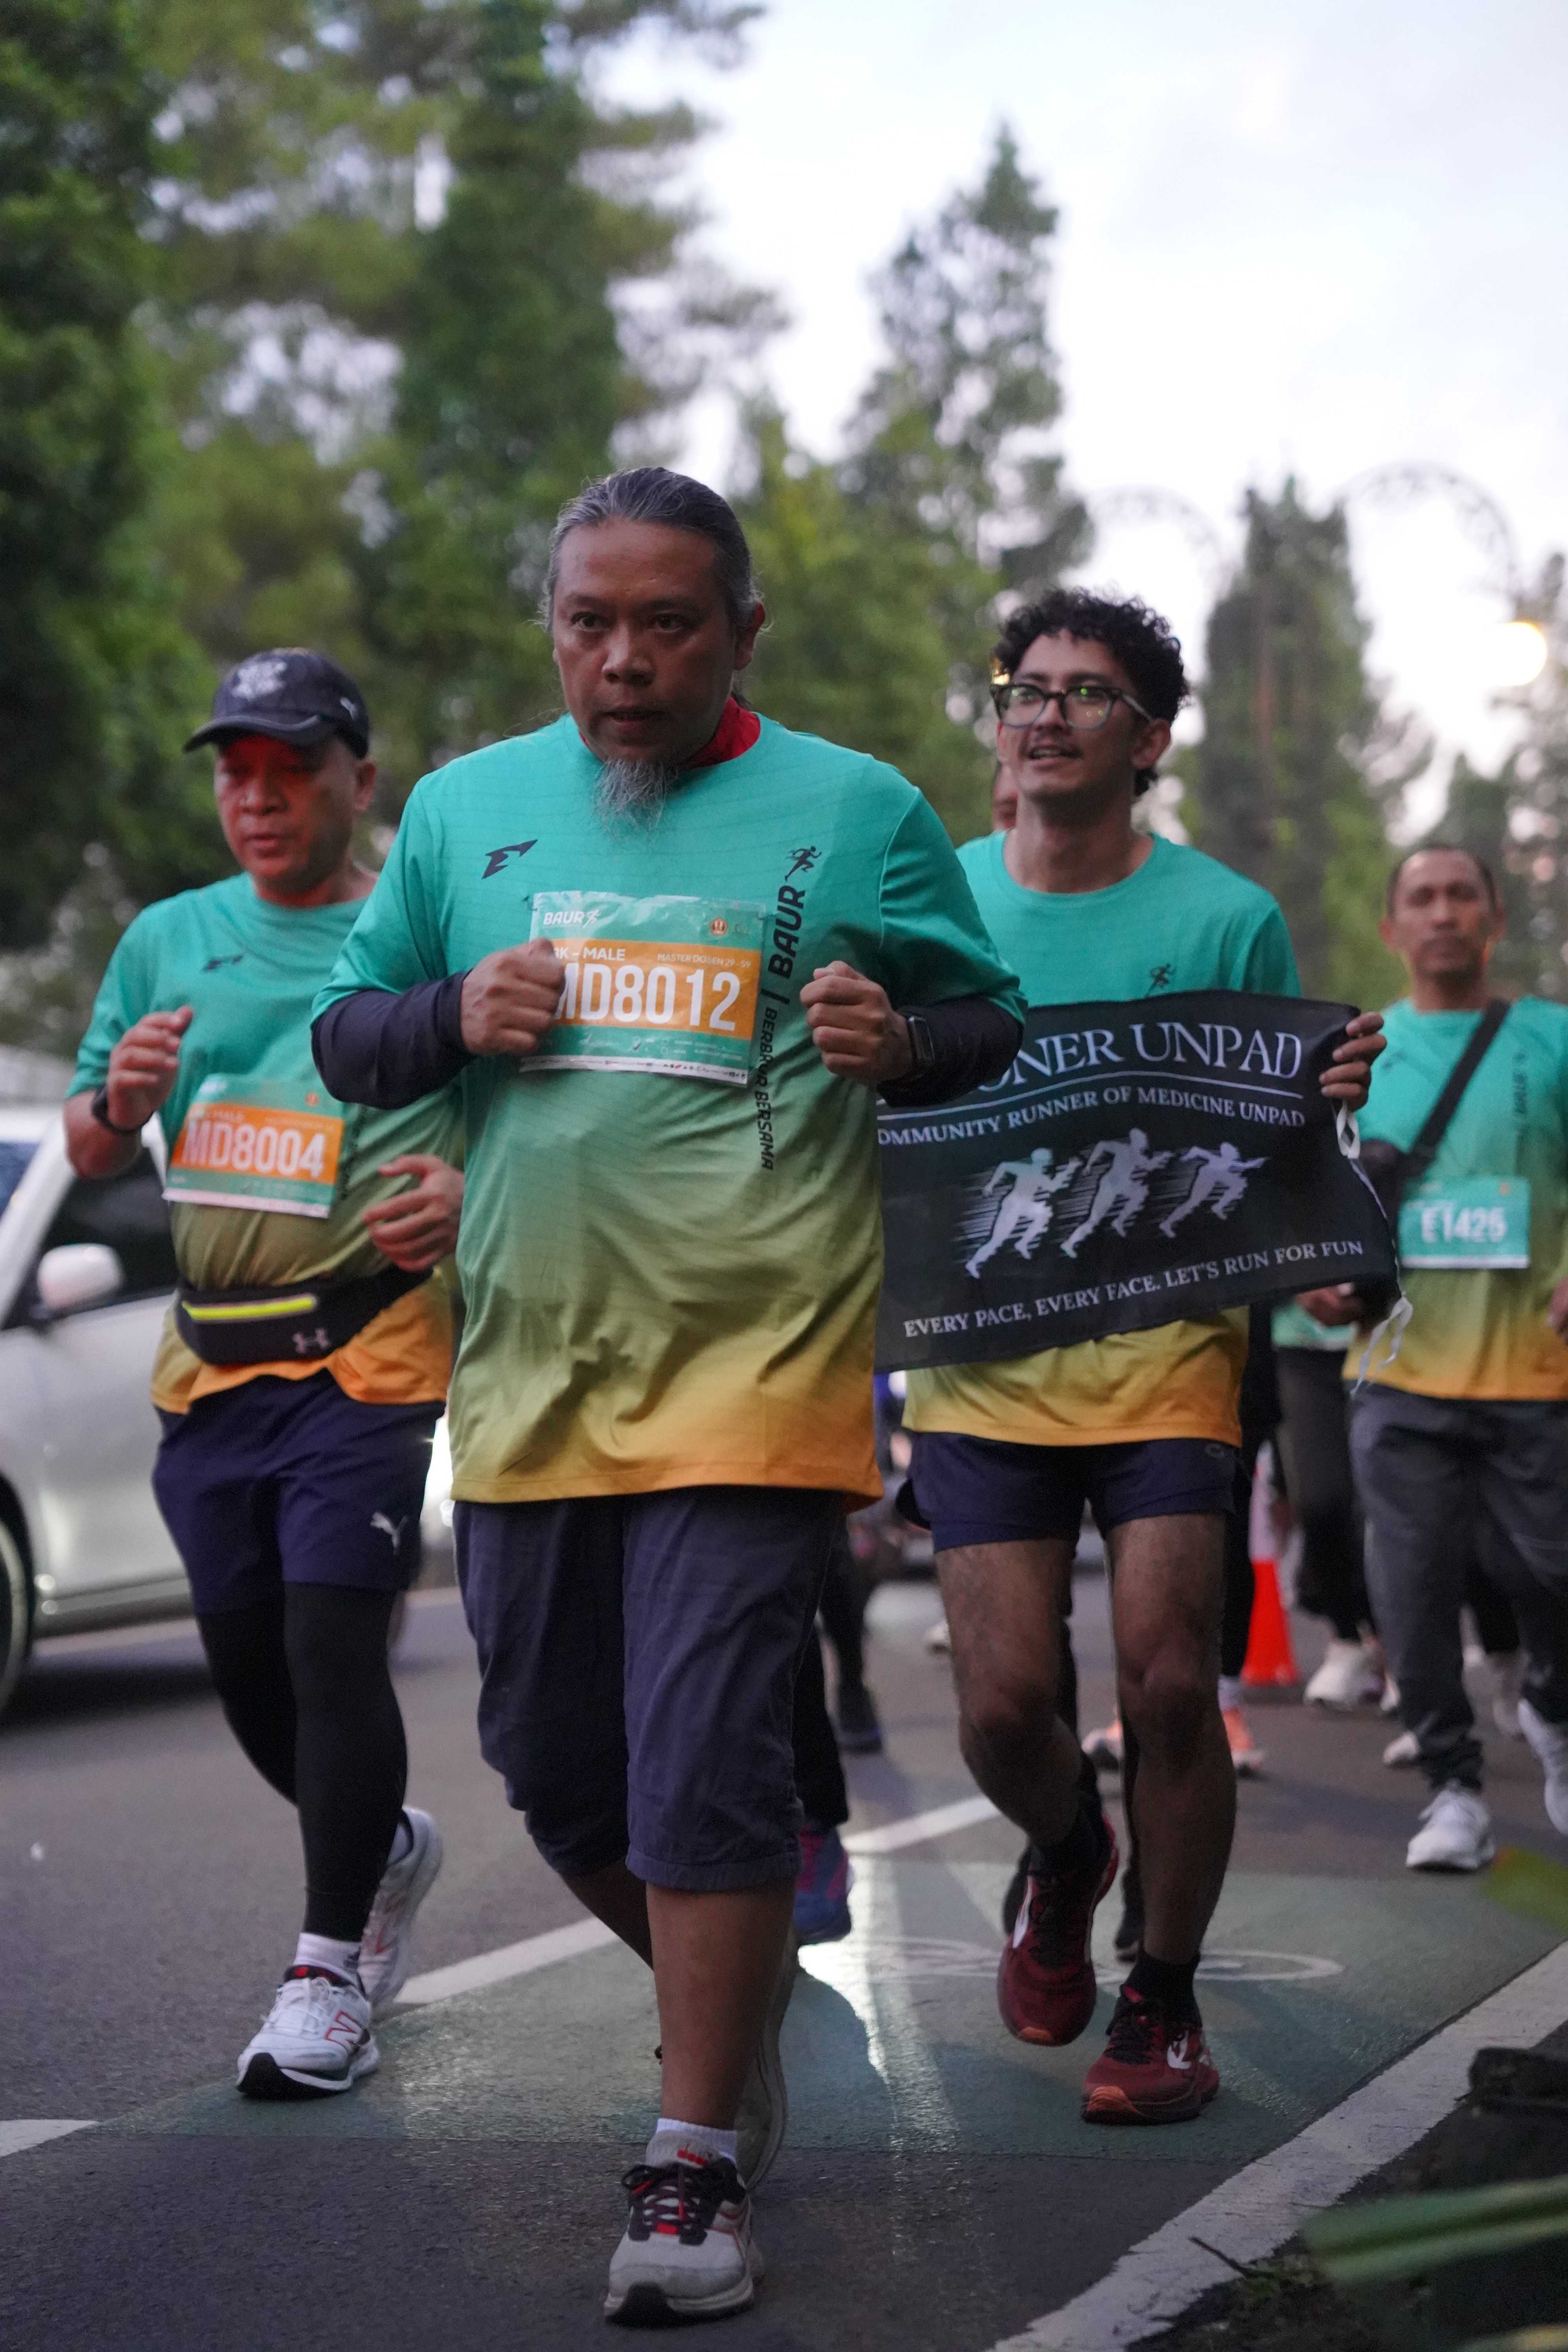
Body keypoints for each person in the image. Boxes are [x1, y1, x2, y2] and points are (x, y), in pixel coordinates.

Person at [310, 467, 1023, 2324]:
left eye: (667, 625)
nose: (622, 661)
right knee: (554, 1769)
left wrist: (902, 1040)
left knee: (701, 1756)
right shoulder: (463, 810)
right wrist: (451, 1014)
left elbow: (988, 1021)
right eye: (588, 624)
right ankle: (737, 2003)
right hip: (530, 1372)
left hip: (758, 1361)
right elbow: (348, 1033)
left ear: (742, 633)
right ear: (552, 629)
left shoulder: (858, 811)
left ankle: (691, 2155)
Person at [900, 588, 1383, 2125]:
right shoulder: (935, 902)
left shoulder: (1225, 917)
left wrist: (1329, 1111)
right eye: (1025, 688)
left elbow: (1281, 1139)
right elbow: (884, 1116)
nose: (1044, 714)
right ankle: (1067, 1850)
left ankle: (1162, 1999)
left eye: (1085, 693)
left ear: (1150, 738)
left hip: (1170, 1360)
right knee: (1000, 1711)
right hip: (980, 1363)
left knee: (1171, 1686)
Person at [65, 651, 462, 2099]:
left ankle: (325, 1973)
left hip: (368, 1349)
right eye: (238, 771)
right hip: (211, 1365)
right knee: (251, 1681)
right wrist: (119, 1101)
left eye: (292, 769)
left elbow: (517, 1110)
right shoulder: (168, 937)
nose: (259, 797)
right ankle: (384, 1847)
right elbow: (94, 1143)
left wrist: (465, 1192)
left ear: (362, 780)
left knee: (330, 1644)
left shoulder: (416, 937)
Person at [1300, 846, 1568, 1870]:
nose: (1443, 912)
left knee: (1552, 1575)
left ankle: (1552, 1707)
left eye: (1463, 895)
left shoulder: (1553, 1039)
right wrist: (1318, 1281)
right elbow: (1313, 1192)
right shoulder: (1358, 1051)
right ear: (1393, 928)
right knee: (1410, 1592)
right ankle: (1454, 1790)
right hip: (1399, 1375)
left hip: (1538, 1374)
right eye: (1422, 897)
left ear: (1494, 917)